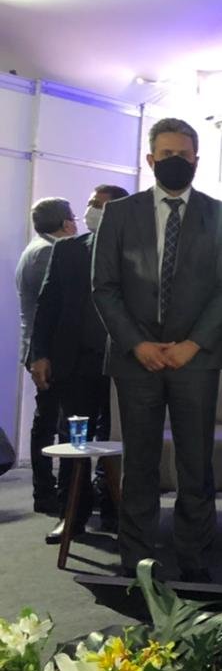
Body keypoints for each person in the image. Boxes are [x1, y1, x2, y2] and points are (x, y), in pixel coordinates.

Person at [92, 118, 222, 581]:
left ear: (196, 159)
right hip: (136, 359)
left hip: (195, 359)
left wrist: (193, 344)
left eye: (184, 154)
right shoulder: (120, 213)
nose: (176, 161)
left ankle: (194, 559)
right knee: (139, 463)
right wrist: (137, 344)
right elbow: (103, 287)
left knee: (195, 463)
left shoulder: (219, 213)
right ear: (150, 159)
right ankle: (136, 561)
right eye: (166, 154)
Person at [29, 185, 129, 543]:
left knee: (116, 441)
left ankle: (116, 510)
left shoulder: (137, 251)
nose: (92, 210)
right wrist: (39, 354)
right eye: (90, 203)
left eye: (102, 205)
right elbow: (46, 306)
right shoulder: (68, 250)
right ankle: (72, 515)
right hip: (76, 363)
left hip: (123, 366)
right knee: (74, 442)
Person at [15, 197, 77, 514]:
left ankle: (53, 491)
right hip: (48, 353)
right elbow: (51, 310)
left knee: (49, 421)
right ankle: (48, 492)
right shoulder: (48, 253)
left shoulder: (36, 248)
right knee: (52, 423)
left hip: (44, 351)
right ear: (66, 224)